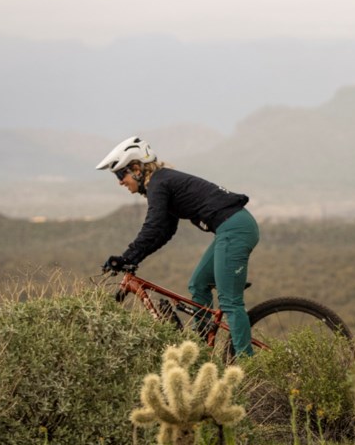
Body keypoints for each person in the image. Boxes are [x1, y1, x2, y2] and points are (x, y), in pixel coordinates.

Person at [98, 136, 260, 356]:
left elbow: (153, 226)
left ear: (136, 168)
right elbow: (164, 231)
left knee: (230, 301)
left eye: (120, 174)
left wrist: (128, 256)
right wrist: (133, 259)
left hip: (235, 229)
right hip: (231, 228)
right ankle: (200, 351)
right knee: (198, 284)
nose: (120, 182)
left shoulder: (158, 183)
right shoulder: (162, 183)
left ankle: (248, 365)